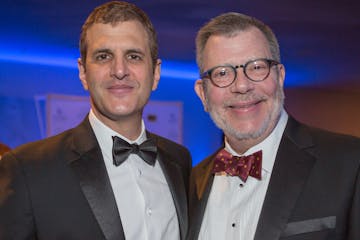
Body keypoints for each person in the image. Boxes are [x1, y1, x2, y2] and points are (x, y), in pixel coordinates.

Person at [0, 1, 191, 240]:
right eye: (103, 56)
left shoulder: (179, 161)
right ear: (83, 73)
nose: (119, 70)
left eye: (134, 56)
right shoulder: (26, 169)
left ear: (156, 73)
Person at [188, 12, 360, 240]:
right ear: (203, 94)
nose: (241, 85)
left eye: (257, 67)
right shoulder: (190, 182)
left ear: (279, 77)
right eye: (222, 73)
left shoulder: (350, 162)